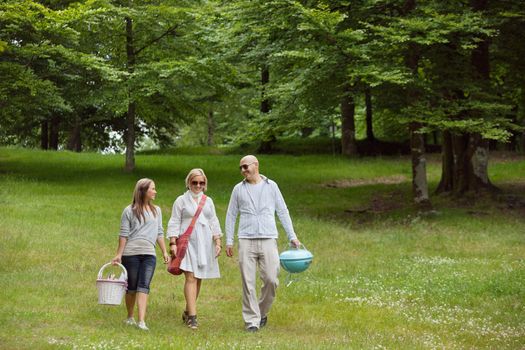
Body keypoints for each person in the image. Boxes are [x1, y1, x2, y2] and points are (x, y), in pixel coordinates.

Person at [225, 155, 300, 332]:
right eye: (241, 168)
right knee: (248, 282)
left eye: (245, 166)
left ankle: (261, 311)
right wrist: (229, 240)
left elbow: (282, 210)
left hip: (268, 238)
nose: (243, 170)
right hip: (246, 239)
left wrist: (292, 235)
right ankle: (252, 321)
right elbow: (231, 215)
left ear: (256, 165)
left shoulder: (271, 186)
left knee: (271, 279)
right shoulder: (238, 189)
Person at [167, 168, 222, 330]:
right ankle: (193, 317)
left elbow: (213, 221)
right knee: (190, 277)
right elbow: (174, 221)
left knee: (198, 278)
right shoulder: (181, 200)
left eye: (201, 183)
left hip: (204, 243)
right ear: (188, 183)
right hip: (187, 242)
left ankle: (187, 310)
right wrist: (172, 243)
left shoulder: (208, 201)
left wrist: (218, 241)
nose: (198, 185)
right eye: (195, 182)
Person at [112, 178, 169, 331]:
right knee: (131, 287)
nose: (155, 191)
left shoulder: (157, 210)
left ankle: (141, 321)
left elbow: (159, 233)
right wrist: (119, 254)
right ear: (143, 191)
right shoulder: (129, 211)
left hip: (149, 255)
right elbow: (123, 235)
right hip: (131, 254)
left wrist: (164, 251)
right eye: (153, 189)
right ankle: (130, 317)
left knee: (144, 286)